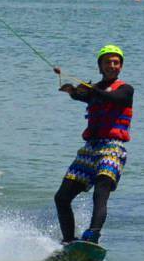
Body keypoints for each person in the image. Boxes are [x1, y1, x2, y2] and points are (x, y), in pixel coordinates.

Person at [52, 45, 134, 245]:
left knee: (101, 192)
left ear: (120, 67)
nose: (112, 66)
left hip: (113, 148)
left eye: (116, 62)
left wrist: (92, 90)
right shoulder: (94, 90)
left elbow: (113, 98)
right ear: (100, 66)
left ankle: (93, 233)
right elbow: (82, 96)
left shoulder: (125, 90)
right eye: (107, 62)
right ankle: (69, 241)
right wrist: (71, 90)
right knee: (61, 198)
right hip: (90, 150)